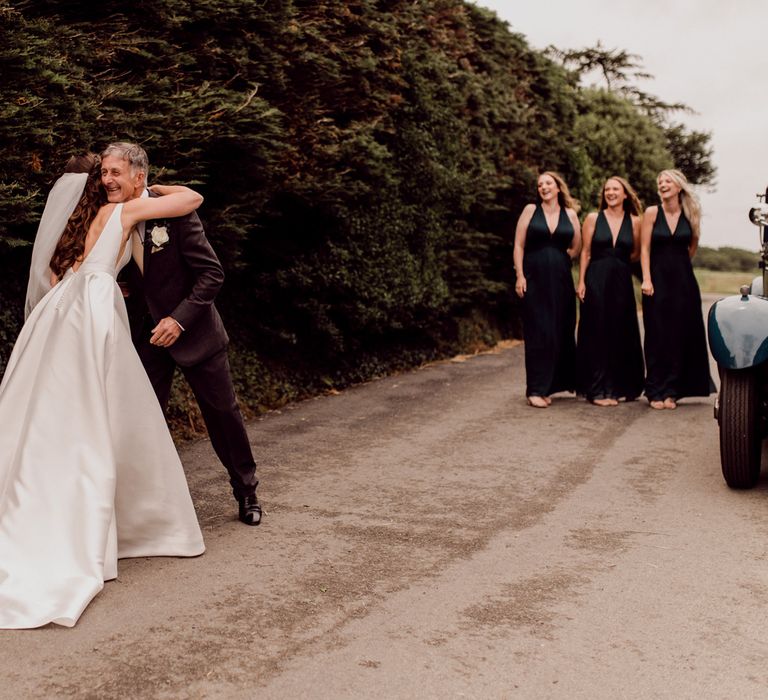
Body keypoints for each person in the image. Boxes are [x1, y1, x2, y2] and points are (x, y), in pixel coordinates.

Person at [0, 154, 206, 628]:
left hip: (56, 312)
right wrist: (149, 186)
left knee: (49, 408)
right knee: (99, 408)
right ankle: (107, 517)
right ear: (100, 183)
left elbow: (54, 280)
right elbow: (193, 198)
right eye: (106, 175)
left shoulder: (74, 225)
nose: (112, 181)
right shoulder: (124, 211)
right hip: (92, 311)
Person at [103, 142, 261, 525]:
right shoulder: (108, 215)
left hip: (194, 333)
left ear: (139, 176)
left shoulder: (174, 214)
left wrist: (179, 320)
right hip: (147, 339)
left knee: (223, 415)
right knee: (143, 421)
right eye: (103, 172)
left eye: (114, 173)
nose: (106, 180)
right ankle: (146, 508)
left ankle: (247, 492)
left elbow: (212, 274)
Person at [640, 169, 713, 409]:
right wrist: (647, 278)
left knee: (678, 335)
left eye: (667, 181)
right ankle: (655, 390)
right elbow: (645, 250)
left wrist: (678, 269)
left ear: (678, 186)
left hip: (683, 283)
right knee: (656, 335)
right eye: (659, 181)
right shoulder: (652, 213)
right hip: (656, 281)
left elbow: (692, 247)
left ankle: (671, 391)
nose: (662, 184)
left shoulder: (691, 214)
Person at [513, 171, 582, 407]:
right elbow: (519, 245)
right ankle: (535, 388)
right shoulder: (530, 211)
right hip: (534, 277)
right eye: (540, 184)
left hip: (561, 280)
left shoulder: (570, 214)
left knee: (559, 331)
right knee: (538, 332)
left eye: (548, 183)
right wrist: (520, 275)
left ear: (558, 187)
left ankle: (550, 386)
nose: (543, 187)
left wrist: (558, 259)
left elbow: (576, 247)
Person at [575, 176, 645, 406]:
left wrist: (619, 263)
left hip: (622, 280)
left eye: (616, 189)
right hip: (596, 276)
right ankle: (597, 390)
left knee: (621, 331)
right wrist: (582, 282)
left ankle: (619, 387)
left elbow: (635, 253)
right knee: (596, 331)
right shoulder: (594, 218)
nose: (611, 193)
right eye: (607, 189)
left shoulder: (635, 222)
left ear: (625, 194)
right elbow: (585, 252)